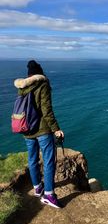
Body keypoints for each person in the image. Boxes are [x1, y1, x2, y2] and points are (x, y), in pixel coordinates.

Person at [14, 60, 64, 208]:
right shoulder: (43, 84)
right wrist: (56, 129)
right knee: (49, 161)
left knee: (32, 158)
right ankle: (49, 194)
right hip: (42, 130)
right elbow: (46, 110)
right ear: (40, 73)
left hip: (27, 128)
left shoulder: (22, 87)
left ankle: (38, 188)